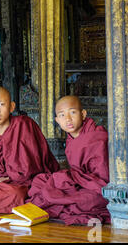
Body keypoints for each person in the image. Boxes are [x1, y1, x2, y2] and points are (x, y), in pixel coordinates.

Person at [26, 95, 110, 225]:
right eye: (62, 115)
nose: (68, 119)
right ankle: (60, 202)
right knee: (40, 181)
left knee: (89, 200)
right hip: (81, 184)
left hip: (100, 189)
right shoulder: (71, 139)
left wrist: (71, 178)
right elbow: (78, 173)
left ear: (83, 114)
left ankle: (57, 203)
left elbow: (103, 179)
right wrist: (70, 178)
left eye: (72, 112)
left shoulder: (97, 136)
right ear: (57, 120)